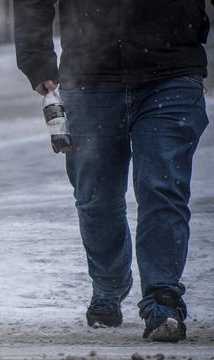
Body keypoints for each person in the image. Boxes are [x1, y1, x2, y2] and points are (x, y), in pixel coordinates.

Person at [14, 0, 210, 342]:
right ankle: (108, 284)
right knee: (95, 196)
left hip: (172, 69)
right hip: (90, 76)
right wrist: (36, 56)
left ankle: (163, 299)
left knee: (161, 188)